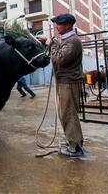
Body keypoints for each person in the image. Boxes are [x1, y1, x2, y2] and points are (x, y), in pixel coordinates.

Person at [36, 14, 84, 157]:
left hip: (68, 82)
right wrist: (48, 41)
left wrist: (52, 43)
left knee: (68, 114)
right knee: (66, 113)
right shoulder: (65, 39)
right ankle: (74, 141)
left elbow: (59, 58)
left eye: (59, 24)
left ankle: (75, 147)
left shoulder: (73, 41)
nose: (56, 26)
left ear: (68, 25)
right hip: (64, 81)